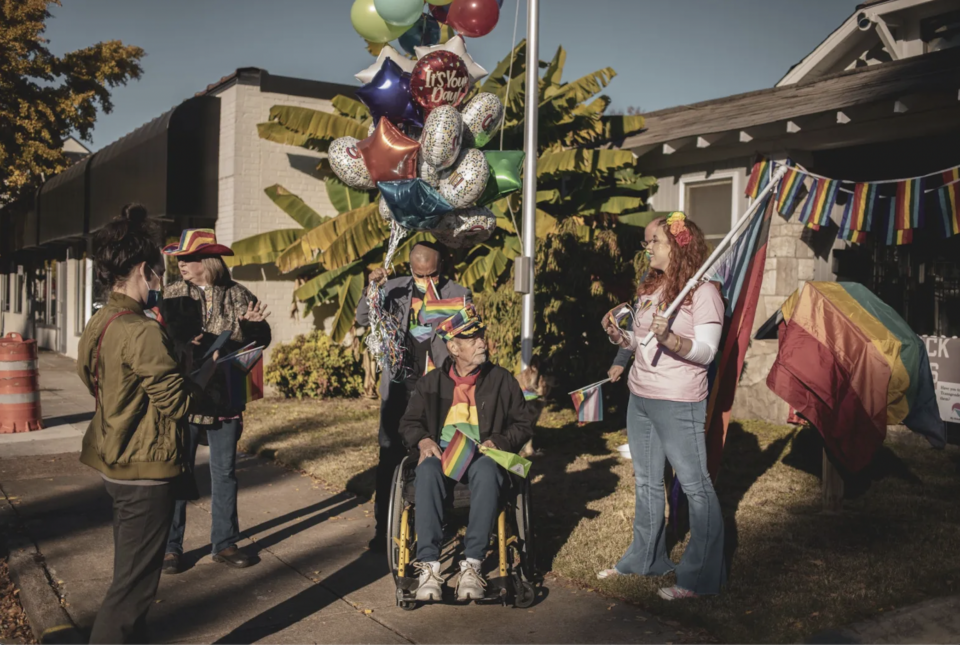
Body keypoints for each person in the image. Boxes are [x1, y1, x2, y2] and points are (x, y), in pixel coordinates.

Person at [77, 205, 209, 643]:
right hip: (145, 469)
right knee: (132, 591)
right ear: (141, 269)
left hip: (115, 460)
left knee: (128, 574)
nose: (160, 278)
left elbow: (88, 373)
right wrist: (205, 376)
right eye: (156, 269)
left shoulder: (101, 321)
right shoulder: (141, 330)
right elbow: (174, 402)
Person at [599, 212, 726, 600]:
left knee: (695, 486)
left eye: (653, 241)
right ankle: (645, 559)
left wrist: (672, 340)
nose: (647, 248)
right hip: (641, 397)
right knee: (647, 481)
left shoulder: (703, 292)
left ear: (677, 245)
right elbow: (641, 345)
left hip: (677, 400)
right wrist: (621, 339)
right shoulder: (650, 287)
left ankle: (700, 578)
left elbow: (706, 352)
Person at [398, 305, 532, 602]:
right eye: (473, 339)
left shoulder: (501, 380)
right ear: (453, 347)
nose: (482, 342)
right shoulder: (430, 383)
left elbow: (523, 423)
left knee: (486, 471)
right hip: (444, 452)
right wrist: (422, 441)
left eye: (481, 336)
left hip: (484, 454)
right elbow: (408, 423)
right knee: (428, 469)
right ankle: (429, 567)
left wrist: (499, 441)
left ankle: (472, 564)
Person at [159, 229, 272, 574]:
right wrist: (184, 343)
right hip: (185, 397)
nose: (180, 264)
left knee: (225, 473)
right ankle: (170, 548)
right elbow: (160, 340)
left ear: (206, 262)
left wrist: (254, 328)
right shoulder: (172, 294)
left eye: (188, 259)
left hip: (224, 396)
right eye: (178, 259)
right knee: (178, 472)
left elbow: (261, 340)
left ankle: (224, 543)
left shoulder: (238, 294)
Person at [355, 241, 471, 551]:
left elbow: (468, 340)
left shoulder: (458, 292)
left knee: (437, 454)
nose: (425, 281)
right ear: (410, 269)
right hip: (399, 386)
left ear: (441, 267)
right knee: (390, 455)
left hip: (438, 389)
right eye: (419, 275)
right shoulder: (392, 288)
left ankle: (436, 525)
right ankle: (384, 531)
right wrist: (372, 288)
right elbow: (363, 318)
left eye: (431, 274)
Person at [607, 216, 664, 384]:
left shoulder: (694, 282)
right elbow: (635, 322)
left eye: (654, 242)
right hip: (645, 377)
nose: (648, 249)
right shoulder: (647, 278)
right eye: (646, 244)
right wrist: (621, 360)